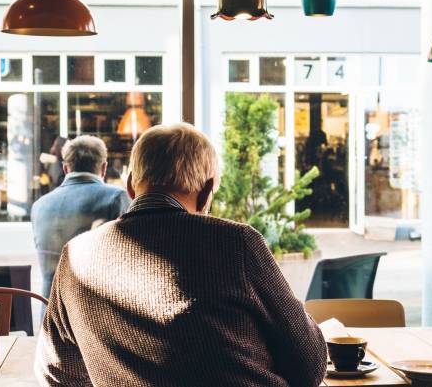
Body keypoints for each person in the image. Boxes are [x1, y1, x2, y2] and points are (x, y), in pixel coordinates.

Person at [35, 123, 327, 387]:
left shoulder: (76, 256)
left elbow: (57, 373)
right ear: (207, 191)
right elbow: (309, 367)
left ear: (130, 185)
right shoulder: (237, 244)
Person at [30, 135, 130, 299]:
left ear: (65, 168)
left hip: (50, 313)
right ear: (104, 168)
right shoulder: (116, 198)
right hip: (94, 313)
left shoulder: (39, 205)